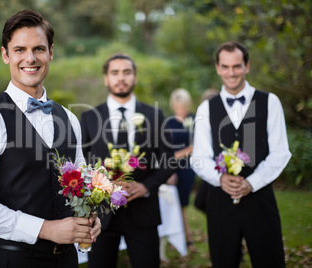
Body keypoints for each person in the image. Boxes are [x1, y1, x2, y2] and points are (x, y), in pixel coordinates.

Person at [0, 10, 101, 268]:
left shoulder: (69, 118)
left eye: (39, 49)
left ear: (51, 53)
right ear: (5, 55)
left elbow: (81, 185)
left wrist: (89, 216)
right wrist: (45, 228)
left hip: (67, 261)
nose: (30, 58)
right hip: (14, 260)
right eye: (20, 49)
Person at [191, 41, 291, 267]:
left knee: (270, 260)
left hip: (260, 199)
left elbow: (280, 152)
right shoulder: (206, 108)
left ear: (247, 66)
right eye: (225, 67)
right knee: (223, 261)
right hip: (220, 202)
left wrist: (252, 183)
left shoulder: (270, 102)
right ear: (217, 68)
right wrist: (220, 179)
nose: (231, 73)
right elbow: (199, 157)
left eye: (236, 66)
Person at [80, 53, 176, 268]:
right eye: (114, 73)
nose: (120, 78)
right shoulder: (89, 118)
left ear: (135, 77)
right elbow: (81, 164)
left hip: (143, 213)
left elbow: (169, 161)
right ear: (106, 78)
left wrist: (146, 186)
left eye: (127, 72)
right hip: (101, 215)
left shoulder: (155, 115)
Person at [166, 88, 197, 252]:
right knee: (172, 203)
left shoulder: (194, 120)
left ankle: (188, 238)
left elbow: (195, 146)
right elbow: (165, 147)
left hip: (186, 168)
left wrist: (177, 155)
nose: (180, 109)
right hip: (171, 168)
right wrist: (169, 169)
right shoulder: (169, 122)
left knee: (183, 204)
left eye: (183, 106)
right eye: (177, 106)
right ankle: (175, 237)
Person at [193, 88, 219, 214]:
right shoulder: (202, 119)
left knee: (203, 201)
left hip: (219, 165)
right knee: (201, 202)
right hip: (209, 165)